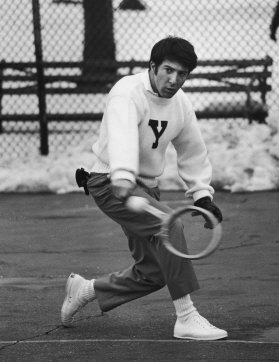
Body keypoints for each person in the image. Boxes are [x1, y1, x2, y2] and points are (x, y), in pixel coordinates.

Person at [60, 36, 227, 341]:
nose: (174, 80)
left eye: (182, 74)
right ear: (153, 66)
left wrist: (202, 194)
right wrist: (123, 178)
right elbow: (121, 134)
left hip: (145, 188)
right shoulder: (127, 91)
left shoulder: (180, 103)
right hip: (110, 180)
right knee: (170, 224)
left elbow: (192, 150)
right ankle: (187, 317)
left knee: (154, 272)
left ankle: (86, 290)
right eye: (168, 70)